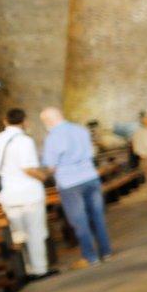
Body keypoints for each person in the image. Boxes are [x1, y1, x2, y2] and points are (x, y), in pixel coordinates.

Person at [40, 107, 113, 268]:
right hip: (90, 177)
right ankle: (106, 252)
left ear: (49, 121)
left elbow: (50, 165)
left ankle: (90, 256)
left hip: (70, 183)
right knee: (98, 217)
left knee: (80, 221)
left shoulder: (53, 137)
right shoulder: (80, 130)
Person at [0, 109, 57, 280]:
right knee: (35, 232)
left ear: (5, 121)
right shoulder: (23, 141)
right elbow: (28, 168)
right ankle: (39, 269)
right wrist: (44, 177)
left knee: (18, 234)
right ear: (24, 121)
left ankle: (24, 269)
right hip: (28, 194)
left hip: (7, 195)